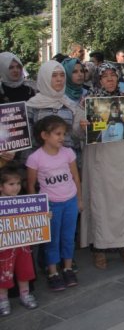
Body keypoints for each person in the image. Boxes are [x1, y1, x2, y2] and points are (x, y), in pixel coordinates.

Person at [80, 63, 124, 269]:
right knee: (101, 204)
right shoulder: (88, 102)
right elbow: (75, 131)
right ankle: (100, 248)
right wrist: (83, 127)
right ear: (98, 80)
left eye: (113, 76)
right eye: (105, 76)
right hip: (100, 160)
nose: (110, 79)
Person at [26, 116, 82, 291]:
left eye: (63, 134)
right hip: (50, 205)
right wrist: (37, 209)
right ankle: (52, 272)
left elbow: (75, 177)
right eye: (57, 134)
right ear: (44, 135)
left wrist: (79, 199)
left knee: (68, 237)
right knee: (52, 240)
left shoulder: (68, 153)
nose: (61, 137)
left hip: (70, 201)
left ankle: (67, 268)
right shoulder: (35, 158)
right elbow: (30, 185)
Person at [0, 167, 38, 314]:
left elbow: (35, 218)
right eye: (11, 184)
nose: (16, 187)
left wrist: (45, 216)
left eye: (17, 183)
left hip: (23, 244)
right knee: (4, 272)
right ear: (1, 186)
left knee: (25, 270)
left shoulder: (25, 201)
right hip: (4, 247)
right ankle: (3, 300)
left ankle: (25, 295)